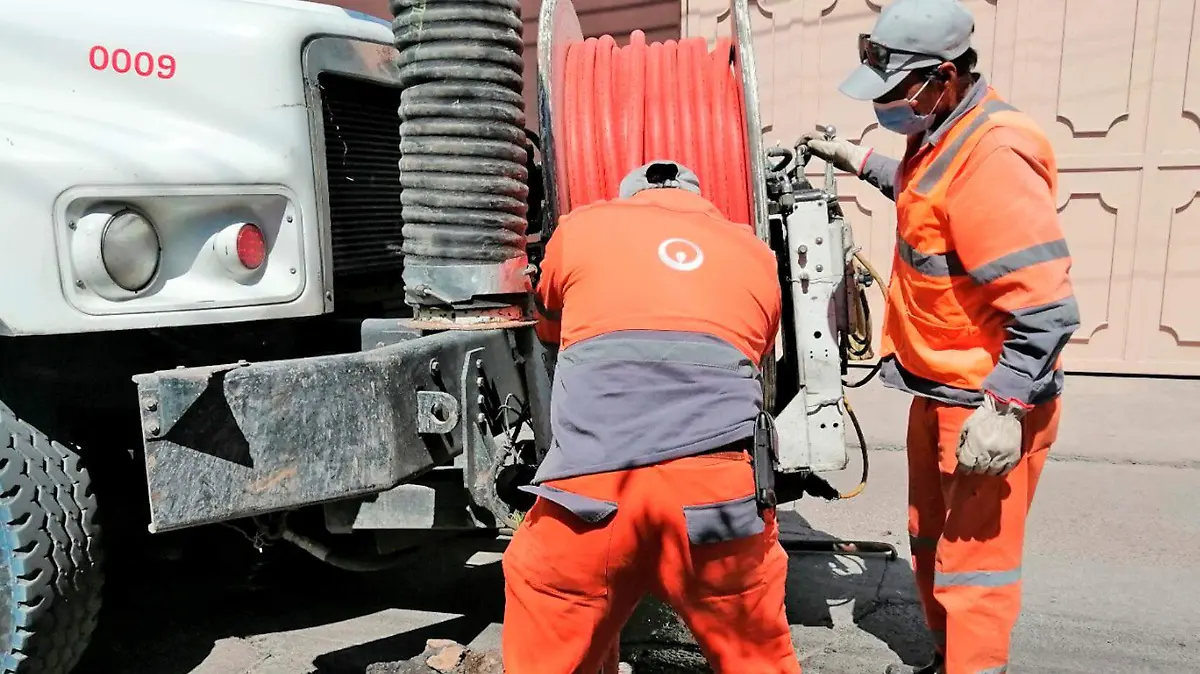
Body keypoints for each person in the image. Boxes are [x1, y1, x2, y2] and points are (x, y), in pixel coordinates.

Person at [798, 1, 1081, 673]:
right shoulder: (941, 133)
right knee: (929, 543)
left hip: (985, 402)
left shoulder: (995, 152)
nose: (887, 105)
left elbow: (1047, 309)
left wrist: (1005, 407)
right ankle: (944, 659)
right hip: (939, 388)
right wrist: (854, 158)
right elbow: (925, 196)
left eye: (897, 92)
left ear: (943, 75)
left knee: (973, 568)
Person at [501, 160, 800, 674]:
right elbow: (758, 349)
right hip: (717, 499)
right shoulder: (754, 251)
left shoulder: (581, 228)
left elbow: (549, 325)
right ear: (698, 200)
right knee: (758, 662)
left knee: (548, 649)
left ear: (630, 198)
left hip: (590, 493)